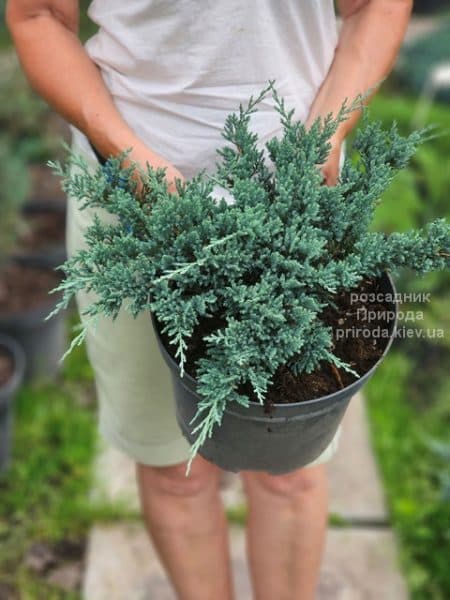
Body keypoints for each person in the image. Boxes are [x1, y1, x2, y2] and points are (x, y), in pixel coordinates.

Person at [7, 1, 413, 598]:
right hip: (132, 202)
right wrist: (126, 154)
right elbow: (38, 17)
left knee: (291, 472)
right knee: (174, 469)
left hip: (294, 204)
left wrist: (327, 131)